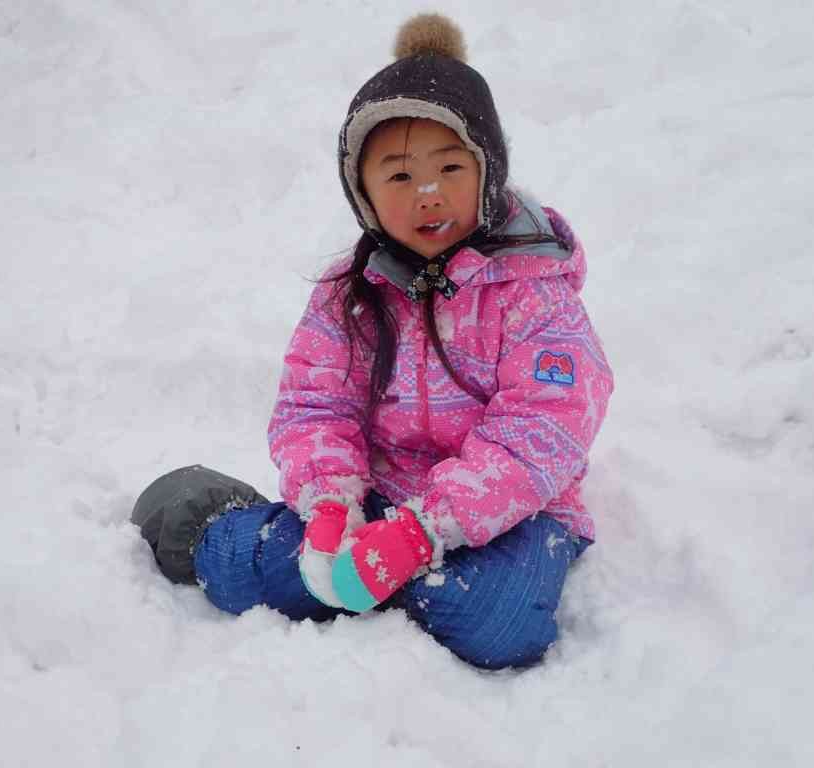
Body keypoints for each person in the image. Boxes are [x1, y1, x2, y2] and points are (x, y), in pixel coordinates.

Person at [131, 14, 613, 670]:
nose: (428, 194)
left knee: (496, 623)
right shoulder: (349, 295)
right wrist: (330, 501)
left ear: (487, 170)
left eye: (450, 166)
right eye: (397, 176)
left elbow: (542, 430)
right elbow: (316, 407)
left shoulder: (532, 288)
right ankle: (216, 526)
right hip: (381, 496)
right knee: (283, 572)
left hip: (513, 513)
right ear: (363, 195)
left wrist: (427, 531)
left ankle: (372, 583)